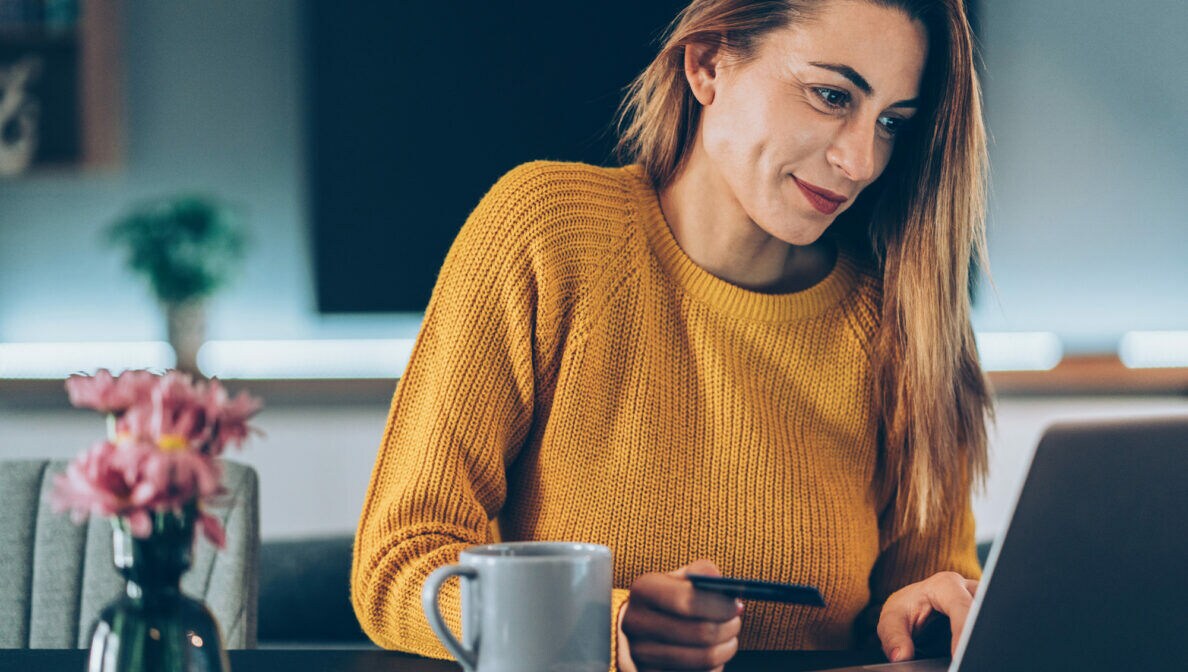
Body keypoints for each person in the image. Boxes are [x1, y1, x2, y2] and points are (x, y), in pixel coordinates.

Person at [351, 0, 992, 670]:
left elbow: (937, 601)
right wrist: (609, 630)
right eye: (831, 95)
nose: (860, 159)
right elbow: (401, 560)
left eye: (892, 122)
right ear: (708, 63)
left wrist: (923, 616)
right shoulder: (545, 236)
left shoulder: (904, 320)